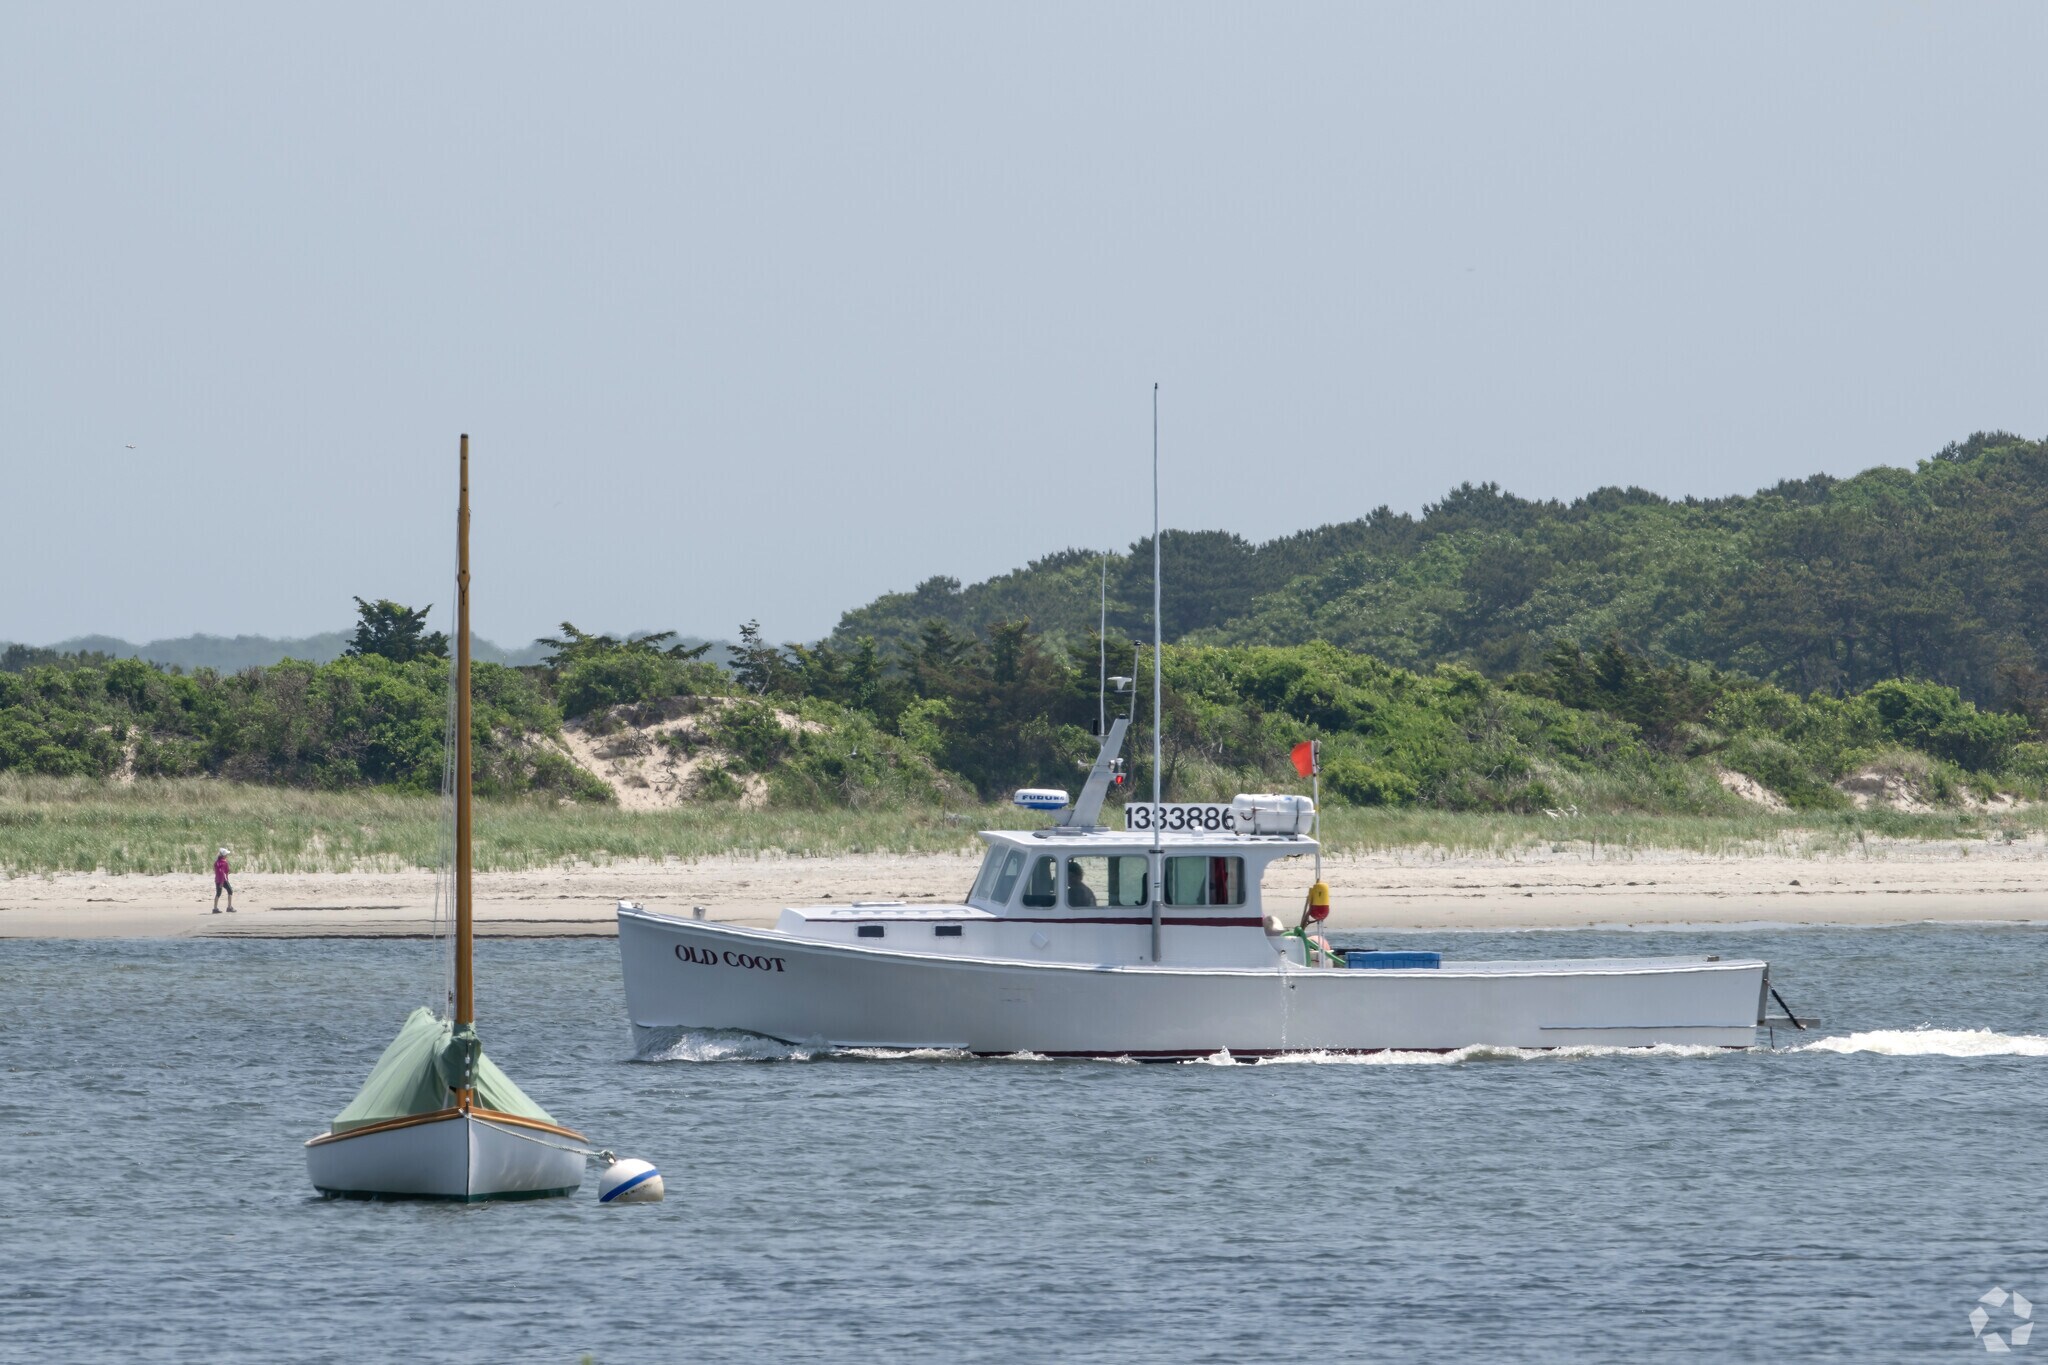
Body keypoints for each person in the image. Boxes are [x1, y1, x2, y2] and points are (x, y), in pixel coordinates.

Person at [213, 847, 235, 913]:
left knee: (218, 893)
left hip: (217, 879)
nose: (227, 856)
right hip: (223, 880)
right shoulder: (224, 862)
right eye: (226, 854)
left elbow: (216, 870)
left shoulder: (217, 862)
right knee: (230, 891)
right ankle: (229, 907)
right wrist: (222, 882)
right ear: (224, 855)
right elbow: (223, 872)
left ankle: (215, 908)